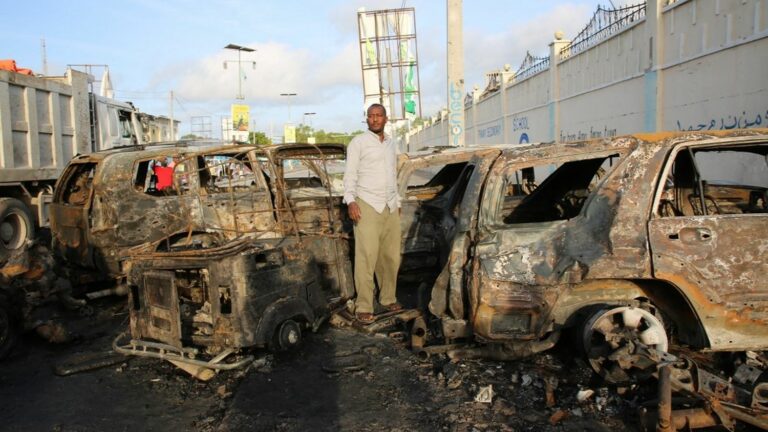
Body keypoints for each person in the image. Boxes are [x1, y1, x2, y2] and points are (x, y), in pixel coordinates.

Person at [343, 103, 403, 323]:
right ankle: (364, 305)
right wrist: (351, 201)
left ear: (386, 119)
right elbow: (349, 175)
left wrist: (397, 201)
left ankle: (388, 298)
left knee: (391, 257)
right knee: (366, 257)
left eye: (379, 116)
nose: (375, 119)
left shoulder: (390, 144)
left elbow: (392, 174)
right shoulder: (358, 143)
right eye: (371, 116)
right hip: (366, 203)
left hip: (390, 205)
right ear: (366, 119)